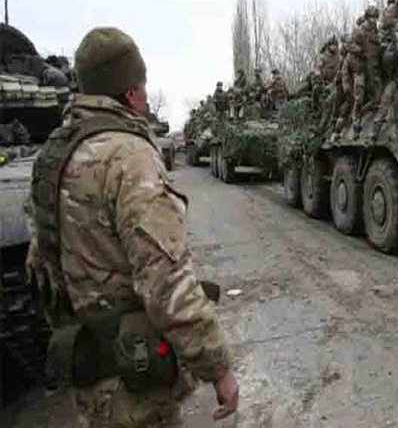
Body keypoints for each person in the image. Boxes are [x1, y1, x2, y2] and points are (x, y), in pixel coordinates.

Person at [26, 27, 239, 427]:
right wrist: (218, 367)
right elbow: (166, 283)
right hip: (135, 383)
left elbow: (39, 265)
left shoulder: (54, 154)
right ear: (129, 91)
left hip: (89, 373)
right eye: (142, 82)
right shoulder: (129, 157)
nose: (145, 92)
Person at [347, 6, 382, 136]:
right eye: (371, 17)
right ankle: (355, 119)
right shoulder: (359, 31)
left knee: (376, 91)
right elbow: (349, 45)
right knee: (359, 95)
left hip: (372, 67)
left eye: (375, 18)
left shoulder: (375, 32)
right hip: (361, 67)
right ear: (367, 17)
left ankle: (372, 111)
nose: (374, 20)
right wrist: (360, 52)